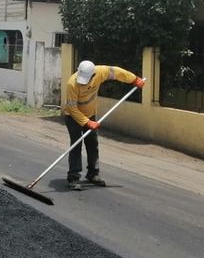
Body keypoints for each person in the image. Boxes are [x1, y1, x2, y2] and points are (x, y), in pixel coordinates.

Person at [62, 60, 145, 190]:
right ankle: (73, 177)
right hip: (73, 117)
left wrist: (134, 80)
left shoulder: (100, 72)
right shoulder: (72, 84)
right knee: (76, 144)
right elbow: (72, 109)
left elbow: (117, 72)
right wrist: (87, 122)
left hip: (90, 114)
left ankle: (93, 174)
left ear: (93, 75)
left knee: (92, 144)